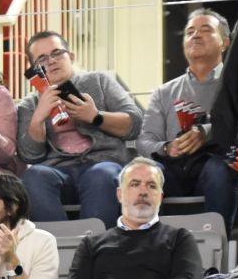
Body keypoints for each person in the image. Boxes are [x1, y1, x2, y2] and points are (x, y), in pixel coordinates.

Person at [52, 161, 205, 279]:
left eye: (151, 186)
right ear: (119, 194)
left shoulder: (179, 237)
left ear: (161, 196)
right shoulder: (91, 243)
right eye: (134, 184)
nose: (143, 191)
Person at [16, 34, 144, 226]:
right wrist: (38, 118)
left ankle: (94, 247)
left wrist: (95, 117)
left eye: (57, 53)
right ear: (35, 69)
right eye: (42, 59)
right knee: (33, 177)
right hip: (57, 170)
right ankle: (57, 247)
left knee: (102, 174)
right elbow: (29, 155)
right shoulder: (30, 103)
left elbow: (134, 123)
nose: (51, 61)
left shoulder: (100, 81)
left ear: (72, 57)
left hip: (102, 162)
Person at [139, 9, 238, 220]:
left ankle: (216, 242)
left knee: (219, 169)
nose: (196, 35)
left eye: (206, 30)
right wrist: (167, 147)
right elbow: (145, 141)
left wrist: (207, 133)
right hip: (174, 169)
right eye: (190, 32)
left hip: (218, 165)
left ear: (225, 42)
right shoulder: (164, 92)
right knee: (144, 173)